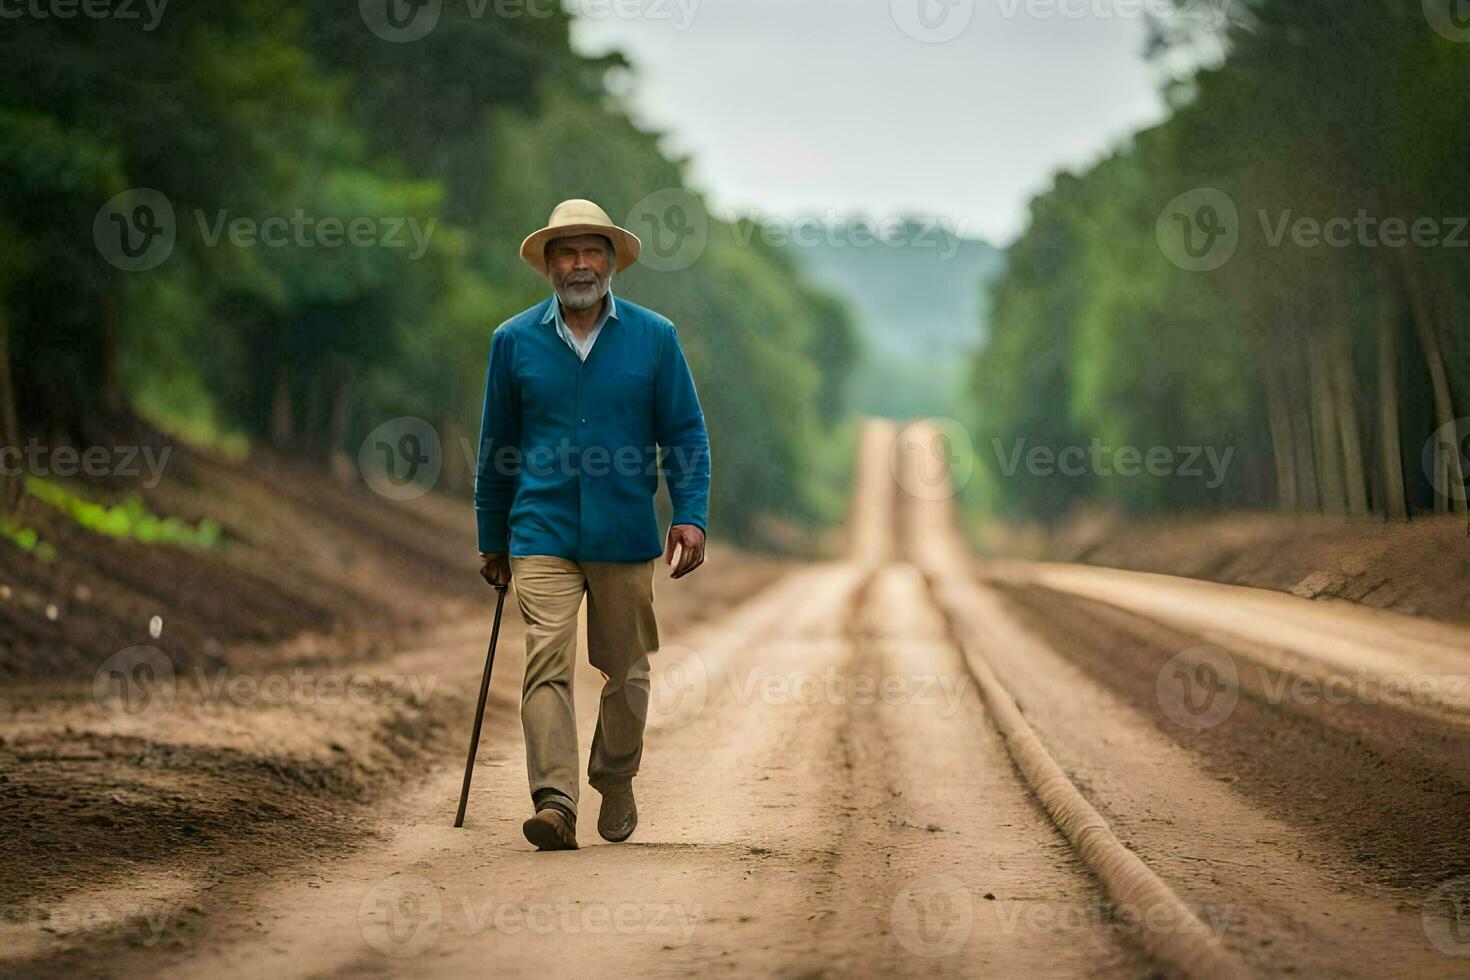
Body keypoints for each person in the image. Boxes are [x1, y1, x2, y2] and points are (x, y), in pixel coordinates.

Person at [475, 198, 711, 851]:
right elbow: (497, 445)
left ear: (611, 261)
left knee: (627, 672)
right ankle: (554, 800)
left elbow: (685, 435)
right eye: (567, 252)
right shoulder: (513, 341)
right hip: (540, 529)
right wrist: (492, 537)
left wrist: (690, 514)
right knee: (545, 661)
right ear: (548, 264)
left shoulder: (653, 338)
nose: (580, 263)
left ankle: (614, 774)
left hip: (624, 530)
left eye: (592, 251)